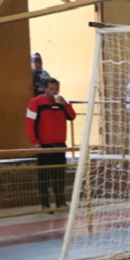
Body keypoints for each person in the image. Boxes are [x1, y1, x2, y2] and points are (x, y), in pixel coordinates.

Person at [26, 78, 75, 213]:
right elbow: (29, 123)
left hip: (59, 144)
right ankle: (45, 204)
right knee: (44, 176)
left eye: (56, 89)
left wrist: (65, 104)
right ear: (45, 88)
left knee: (59, 174)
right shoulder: (35, 103)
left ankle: (60, 202)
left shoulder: (61, 103)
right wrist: (35, 142)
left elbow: (72, 116)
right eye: (51, 89)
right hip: (44, 146)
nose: (54, 92)